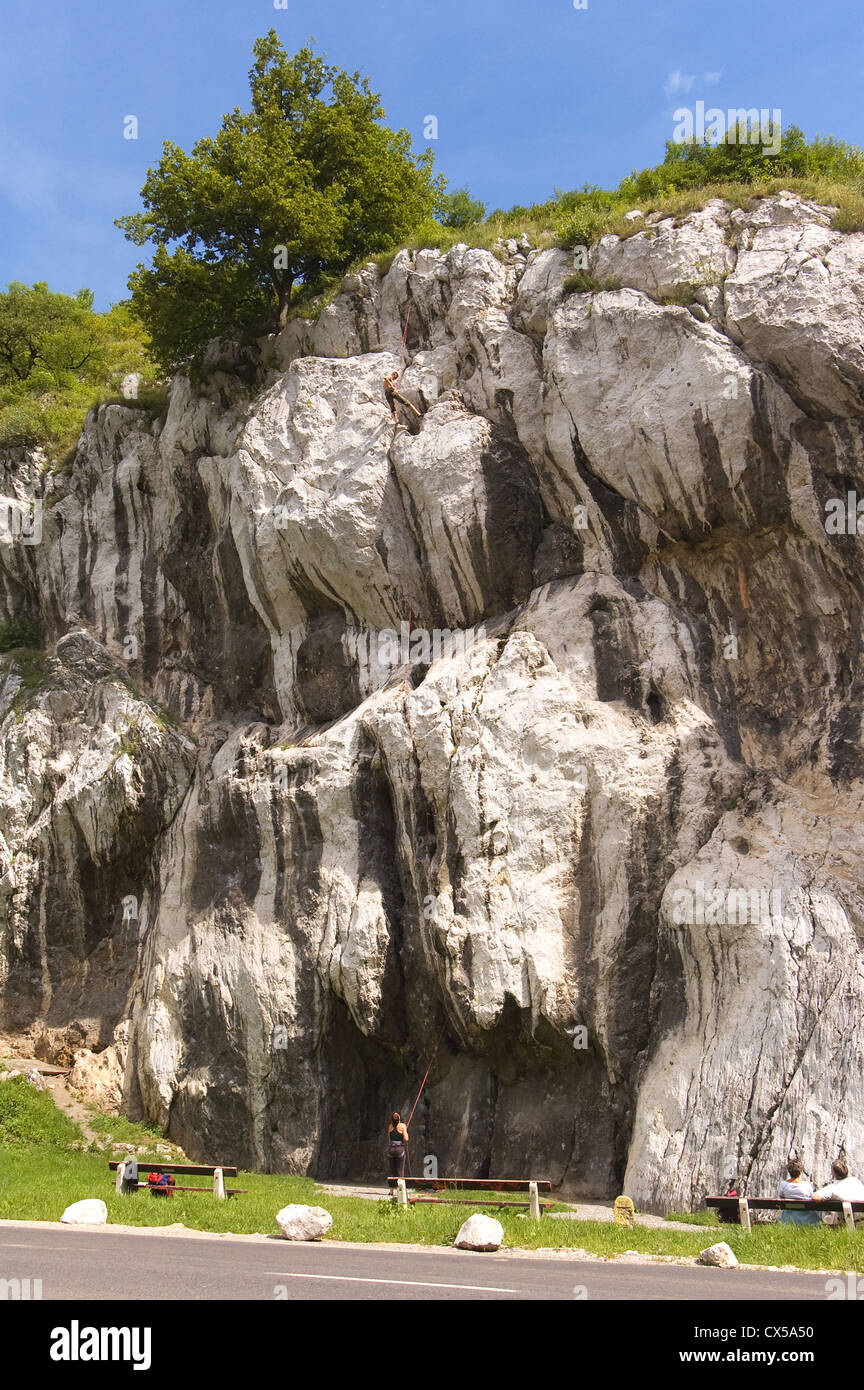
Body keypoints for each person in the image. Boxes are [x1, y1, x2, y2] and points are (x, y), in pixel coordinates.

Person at [812, 1158, 864, 1225]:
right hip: (861, 1218)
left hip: (848, 1220)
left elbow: (815, 1197)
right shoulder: (856, 1181)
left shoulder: (832, 1188)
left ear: (833, 1173)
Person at [777, 1159, 820, 1225]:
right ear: (800, 1172)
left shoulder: (783, 1185)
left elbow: (781, 1197)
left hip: (788, 1218)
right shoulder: (807, 1185)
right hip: (808, 1218)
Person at [387, 1111, 409, 1180]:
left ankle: (391, 1190)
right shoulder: (402, 1125)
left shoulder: (390, 1126)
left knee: (392, 1171)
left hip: (391, 1149)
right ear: (399, 1118)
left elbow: (389, 1138)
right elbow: (406, 1139)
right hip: (399, 1149)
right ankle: (401, 1189)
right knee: (400, 1171)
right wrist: (405, 1132)